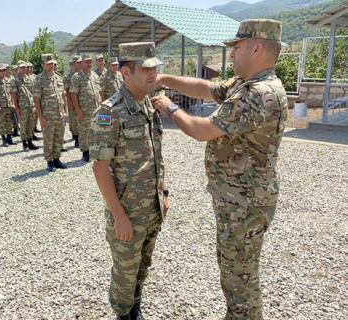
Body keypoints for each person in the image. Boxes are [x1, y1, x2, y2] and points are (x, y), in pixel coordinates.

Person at [151, 19, 286, 320]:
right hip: (238, 200)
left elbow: (202, 130)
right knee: (235, 270)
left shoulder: (258, 94)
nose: (232, 54)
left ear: (257, 48)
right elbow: (207, 88)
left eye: (237, 47)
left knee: (240, 278)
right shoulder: (246, 84)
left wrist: (170, 107)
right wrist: (165, 78)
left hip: (245, 204)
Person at [90, 42, 169, 320]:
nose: (153, 73)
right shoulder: (109, 111)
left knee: (142, 266)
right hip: (128, 213)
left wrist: (164, 193)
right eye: (146, 68)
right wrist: (118, 216)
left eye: (155, 67)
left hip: (152, 208)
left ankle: (136, 308)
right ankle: (123, 314)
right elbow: (100, 168)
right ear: (126, 71)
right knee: (125, 272)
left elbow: (155, 155)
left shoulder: (149, 104)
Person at [33, 54, 68, 172]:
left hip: (60, 114)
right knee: (48, 139)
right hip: (47, 116)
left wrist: (66, 112)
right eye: (48, 64)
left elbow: (63, 96)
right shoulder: (39, 79)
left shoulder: (58, 77)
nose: (51, 66)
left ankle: (57, 159)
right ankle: (50, 161)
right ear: (43, 65)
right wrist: (40, 117)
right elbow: (36, 99)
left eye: (52, 64)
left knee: (59, 138)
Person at [70, 54, 103, 162]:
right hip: (84, 110)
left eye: (90, 62)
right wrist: (77, 109)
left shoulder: (94, 75)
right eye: (86, 62)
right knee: (84, 132)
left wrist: (103, 105)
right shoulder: (77, 77)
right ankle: (85, 152)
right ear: (82, 63)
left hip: (97, 109)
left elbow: (99, 91)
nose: (89, 64)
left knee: (96, 130)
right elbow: (73, 94)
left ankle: (95, 150)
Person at [11, 62, 39, 152]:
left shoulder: (29, 79)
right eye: (22, 67)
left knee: (31, 124)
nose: (24, 69)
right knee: (23, 125)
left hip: (30, 106)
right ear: (18, 68)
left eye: (25, 67)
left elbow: (33, 93)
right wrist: (16, 108)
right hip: (22, 107)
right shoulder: (15, 80)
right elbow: (14, 95)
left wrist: (34, 105)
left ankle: (30, 142)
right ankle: (24, 143)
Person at [0, 63, 16, 147]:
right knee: (1, 123)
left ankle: (9, 138)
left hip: (8, 105)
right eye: (1, 70)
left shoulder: (8, 80)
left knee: (9, 122)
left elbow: (11, 93)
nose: (3, 72)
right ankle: (4, 139)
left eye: (5, 70)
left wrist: (13, 103)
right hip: (1, 105)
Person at [64, 55, 82, 148]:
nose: (80, 64)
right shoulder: (69, 77)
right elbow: (67, 91)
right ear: (74, 64)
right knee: (74, 121)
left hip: (83, 102)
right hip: (73, 101)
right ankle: (76, 138)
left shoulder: (84, 74)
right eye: (78, 62)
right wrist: (71, 104)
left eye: (81, 62)